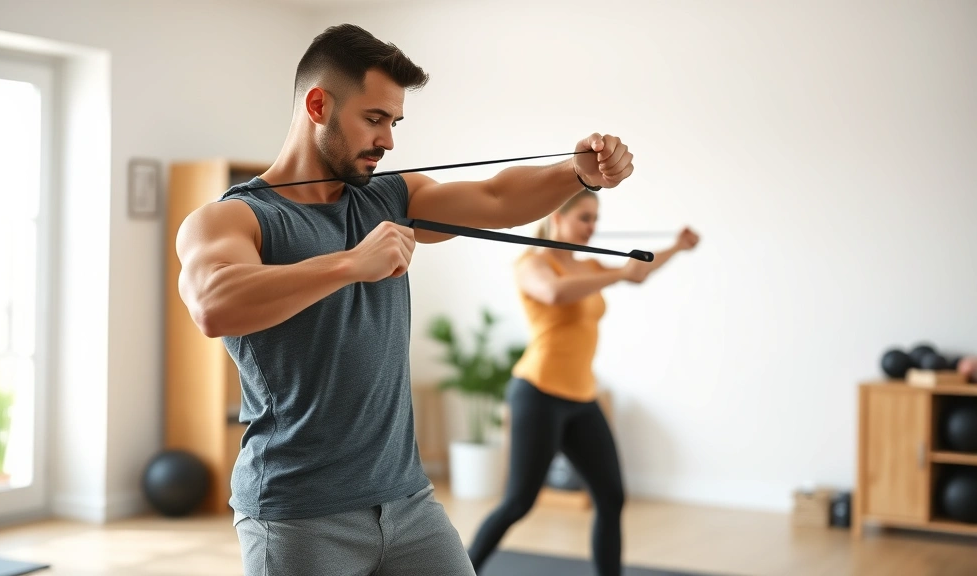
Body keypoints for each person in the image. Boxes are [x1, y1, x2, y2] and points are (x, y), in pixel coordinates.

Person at [174, 23, 635, 576]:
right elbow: (212, 303)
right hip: (298, 512)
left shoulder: (388, 197)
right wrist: (349, 264)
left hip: (408, 501)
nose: (388, 140)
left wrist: (576, 172)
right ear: (318, 105)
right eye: (373, 119)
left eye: (393, 122)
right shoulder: (236, 217)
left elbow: (494, 196)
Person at [466, 190, 699, 576]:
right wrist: (619, 273)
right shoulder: (532, 263)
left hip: (581, 397)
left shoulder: (590, 267)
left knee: (611, 497)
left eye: (595, 219)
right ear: (557, 217)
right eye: (584, 218)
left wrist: (677, 246)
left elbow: (639, 271)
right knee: (518, 503)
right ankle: (464, 569)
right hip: (537, 393)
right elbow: (554, 294)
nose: (592, 227)